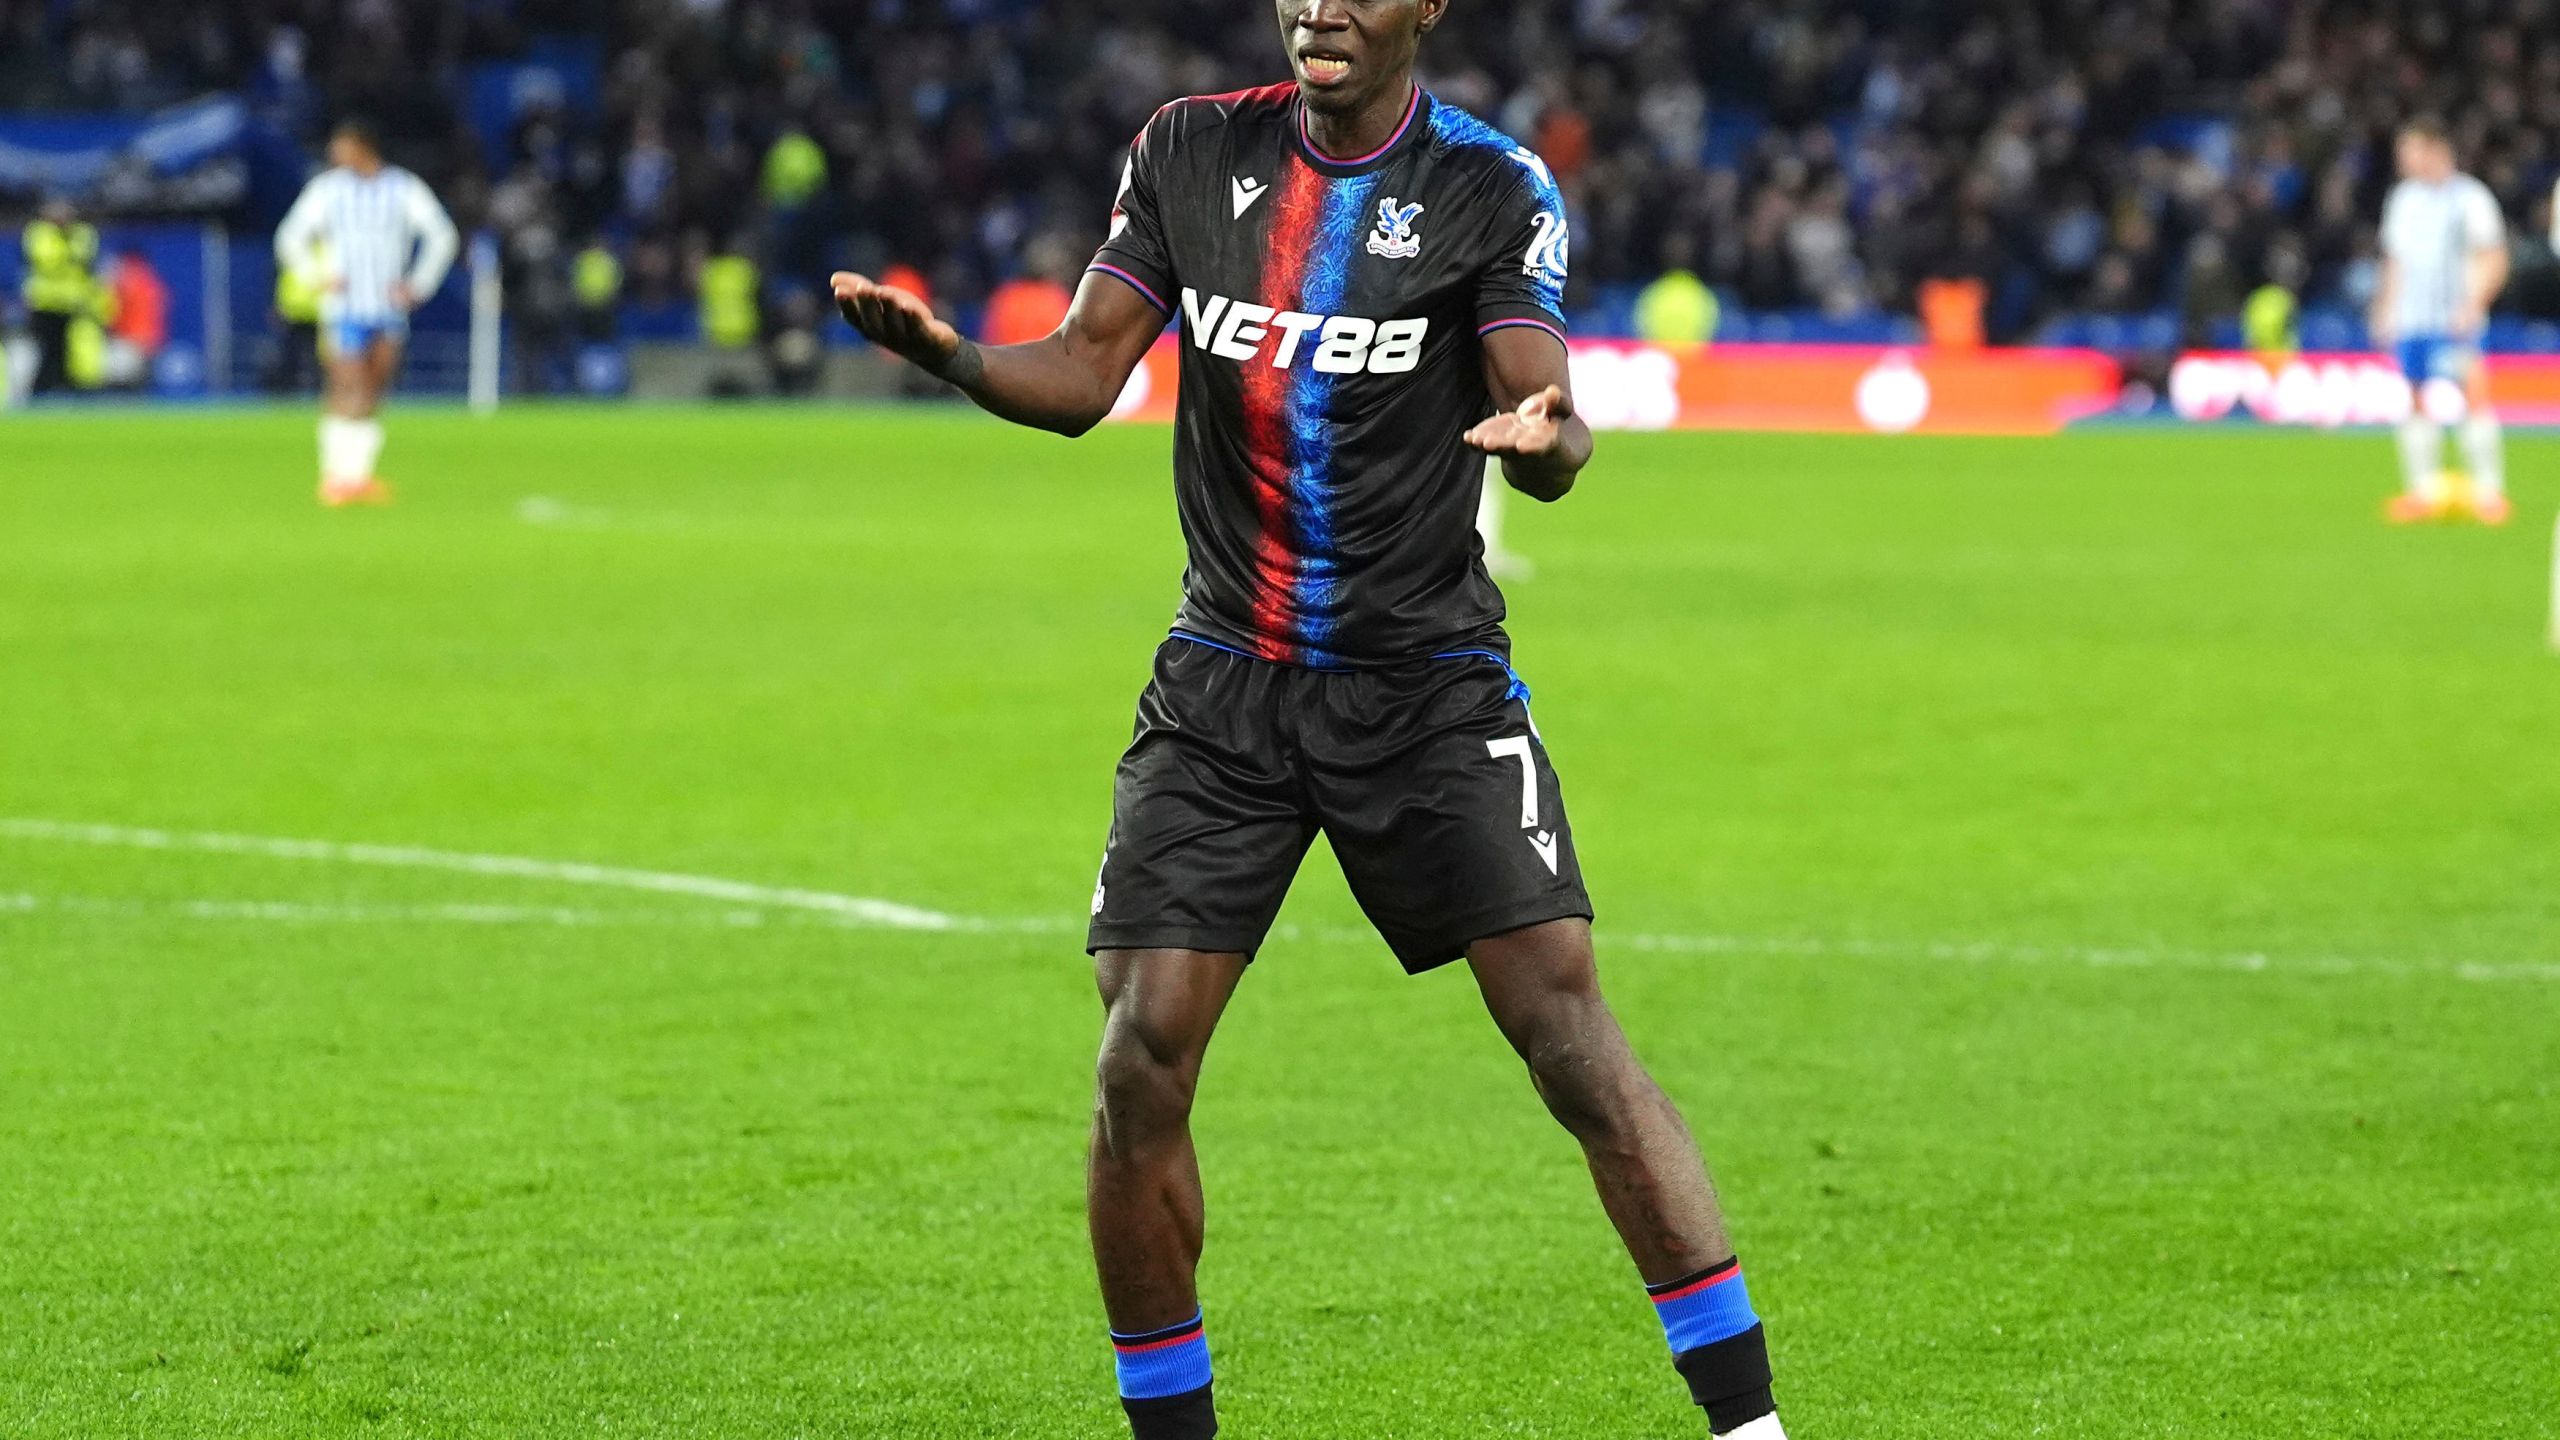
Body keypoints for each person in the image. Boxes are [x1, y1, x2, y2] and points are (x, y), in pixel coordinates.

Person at [830, 1, 1784, 1436]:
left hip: (1424, 687)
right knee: (1140, 1056)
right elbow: (1086, 375)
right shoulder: (1188, 150)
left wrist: (1550, 442)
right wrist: (961, 358)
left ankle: (1749, 1427)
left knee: (1568, 1039)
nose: (1319, 6)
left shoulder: (1490, 187)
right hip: (1225, 683)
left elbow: (1549, 410)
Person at [274, 117, 460, 507]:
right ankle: (335, 476)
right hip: (344, 308)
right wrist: (315, 275)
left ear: (364, 147)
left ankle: (357, 475)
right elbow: (290, 236)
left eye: (341, 146)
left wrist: (419, 284)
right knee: (348, 383)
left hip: (388, 307)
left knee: (374, 388)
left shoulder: (403, 188)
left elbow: (442, 235)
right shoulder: (327, 190)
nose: (334, 155)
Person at [2372, 117, 2509, 525]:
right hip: (2412, 319)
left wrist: (2475, 303)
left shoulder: (2470, 197)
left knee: (2472, 397)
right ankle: (2421, 491)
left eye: (2409, 150)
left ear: (2434, 150)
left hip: (2454, 319)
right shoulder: (2402, 199)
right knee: (2414, 399)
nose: (2402, 159)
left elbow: (2495, 256)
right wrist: (2385, 306)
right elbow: (2394, 260)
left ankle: (2489, 493)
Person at [20, 199, 101, 396]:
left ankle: (64, 388)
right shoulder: (38, 232)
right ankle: (41, 389)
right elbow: (48, 261)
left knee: (70, 349)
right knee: (46, 348)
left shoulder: (82, 232)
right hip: (45, 303)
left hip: (73, 303)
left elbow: (86, 259)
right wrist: (69, 252)